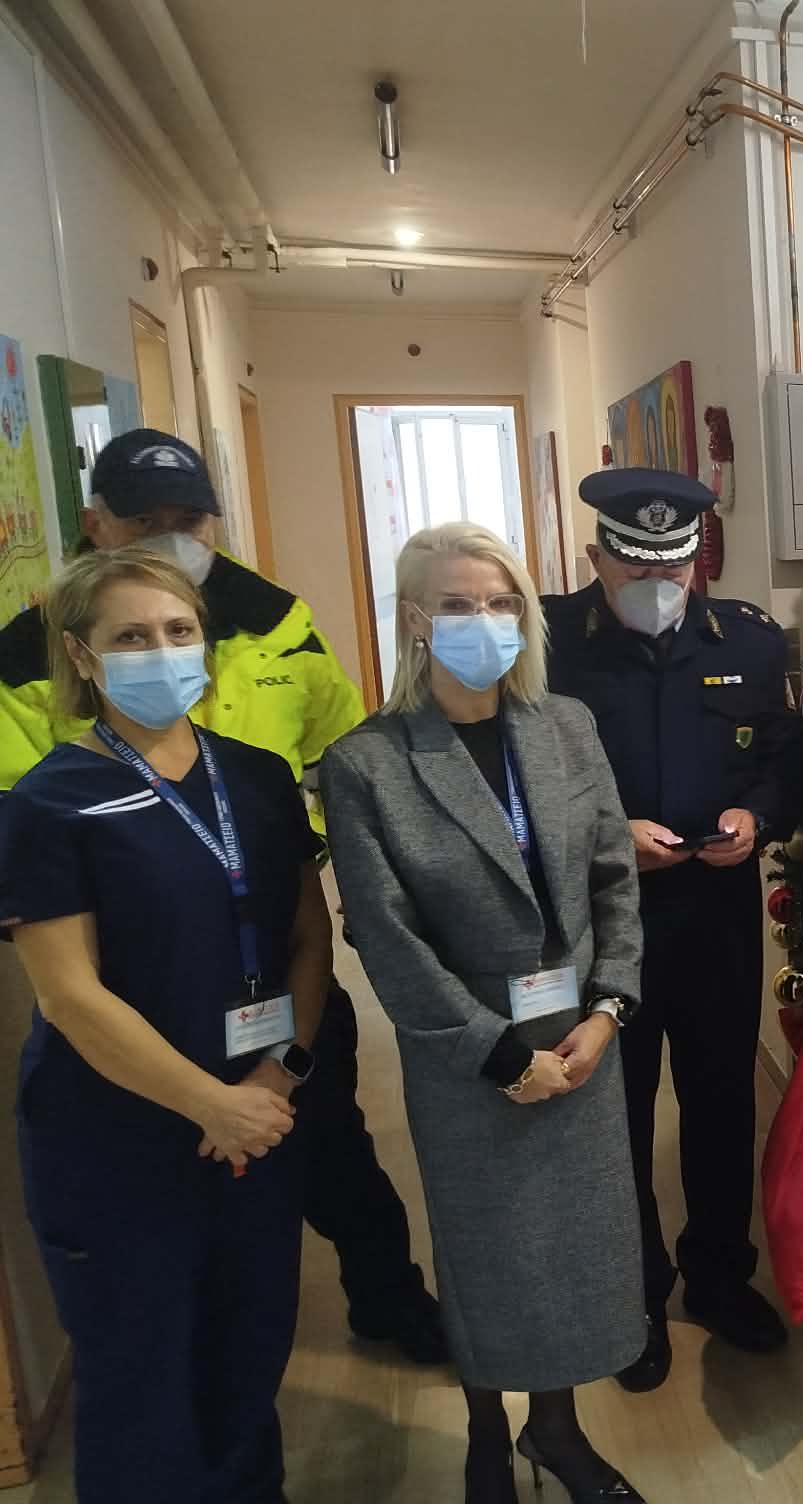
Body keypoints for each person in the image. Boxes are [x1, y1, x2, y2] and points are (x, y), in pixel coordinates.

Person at [0, 428, 446, 1364]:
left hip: (275, 966)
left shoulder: (274, 617)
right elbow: (36, 849)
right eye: (146, 522)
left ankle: (388, 1304)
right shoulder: (24, 660)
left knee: (330, 1162)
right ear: (98, 524)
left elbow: (342, 751)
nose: (173, 538)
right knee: (161, 1277)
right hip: (145, 980)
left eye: (190, 520)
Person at [323, 524, 646, 1504]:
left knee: (571, 1250)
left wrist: (609, 1008)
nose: (484, 621)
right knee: (488, 1252)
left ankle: (556, 1430)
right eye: (458, 605)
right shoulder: (367, 763)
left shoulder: (566, 726)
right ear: (415, 621)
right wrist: (496, 1053)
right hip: (467, 1052)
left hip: (581, 1041)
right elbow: (386, 937)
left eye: (503, 602)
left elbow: (613, 878)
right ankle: (483, 1429)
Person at [0, 549, 332, 1502]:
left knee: (249, 1351)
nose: (161, 651)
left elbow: (308, 938)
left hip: (256, 1117)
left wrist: (279, 1075)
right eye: (132, 637)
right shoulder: (50, 802)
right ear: (82, 655)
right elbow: (70, 996)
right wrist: (209, 1104)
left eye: (178, 631)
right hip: (118, 1139)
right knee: (142, 1384)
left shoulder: (258, 778)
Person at [543, 467, 803, 1380]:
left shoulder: (748, 640)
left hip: (714, 911)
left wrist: (757, 818)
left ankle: (719, 1277)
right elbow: (521, 779)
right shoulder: (548, 645)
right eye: (637, 569)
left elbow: (783, 759)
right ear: (597, 558)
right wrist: (606, 835)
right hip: (600, 915)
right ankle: (636, 1293)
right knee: (613, 1111)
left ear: (698, 561)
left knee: (722, 1100)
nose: (659, 585)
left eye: (675, 568)